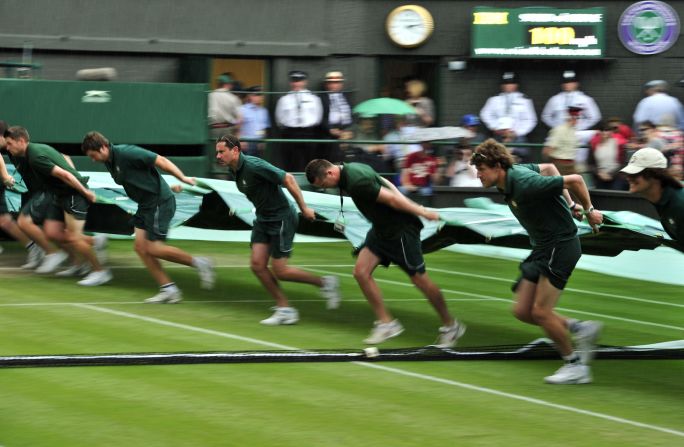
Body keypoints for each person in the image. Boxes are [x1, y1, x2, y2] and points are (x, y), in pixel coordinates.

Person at [470, 138, 604, 384]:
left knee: (541, 312)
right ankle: (579, 328)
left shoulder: (524, 183)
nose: (478, 175)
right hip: (542, 247)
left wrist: (587, 210)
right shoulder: (512, 176)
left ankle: (575, 366)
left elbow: (575, 179)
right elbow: (551, 168)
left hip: (560, 246)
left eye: (482, 169)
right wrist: (569, 203)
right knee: (522, 310)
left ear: (498, 166)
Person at [305, 158, 465, 347]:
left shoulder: (357, 181)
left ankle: (451, 325)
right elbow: (385, 182)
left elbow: (391, 199)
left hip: (401, 230)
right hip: (381, 230)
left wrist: (421, 211)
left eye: (323, 184)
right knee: (361, 272)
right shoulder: (351, 169)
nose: (325, 188)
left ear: (330, 173)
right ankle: (387, 323)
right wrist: (406, 200)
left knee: (420, 280)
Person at [215, 134, 340, 324]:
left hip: (282, 218)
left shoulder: (254, 165)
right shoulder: (234, 169)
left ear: (235, 150)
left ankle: (325, 283)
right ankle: (285, 309)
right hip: (263, 219)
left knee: (280, 271)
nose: (217, 156)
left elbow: (288, 178)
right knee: (257, 265)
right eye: (217, 152)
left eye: (221, 152)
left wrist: (304, 207)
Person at [81, 131, 216, 303]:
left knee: (153, 248)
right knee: (140, 247)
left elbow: (161, 161)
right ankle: (169, 289)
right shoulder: (109, 160)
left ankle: (200, 263)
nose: (93, 159)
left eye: (93, 155)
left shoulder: (127, 153)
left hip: (159, 202)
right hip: (145, 205)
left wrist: (182, 178)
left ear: (103, 147)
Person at [4, 126, 111, 286]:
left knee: (75, 237)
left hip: (73, 194)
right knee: (52, 232)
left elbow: (65, 175)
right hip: (59, 195)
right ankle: (91, 249)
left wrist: (85, 191)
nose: (7, 147)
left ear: (21, 141)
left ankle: (100, 272)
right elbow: (63, 160)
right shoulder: (29, 153)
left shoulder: (36, 156)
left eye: (10, 143)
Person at [621, 147, 684, 252]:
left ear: (654, 174)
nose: (628, 177)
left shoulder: (679, 205)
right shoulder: (663, 199)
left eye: (634, 173)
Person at [0, 121, 43, 266]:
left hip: (46, 190)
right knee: (5, 221)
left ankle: (41, 250)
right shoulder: (11, 148)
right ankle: (36, 249)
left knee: (6, 221)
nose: (8, 145)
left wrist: (5, 176)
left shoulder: (28, 151)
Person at [480, 72, 537, 162]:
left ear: (516, 85)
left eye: (511, 83)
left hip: (517, 136)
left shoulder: (524, 100)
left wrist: (517, 132)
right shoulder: (494, 99)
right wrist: (495, 127)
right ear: (502, 86)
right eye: (506, 83)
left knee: (520, 160)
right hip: (499, 135)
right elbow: (485, 114)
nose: (508, 86)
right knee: (495, 159)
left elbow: (531, 120)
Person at [275, 70, 323, 172]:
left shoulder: (314, 99)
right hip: (290, 132)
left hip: (308, 132)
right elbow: (279, 119)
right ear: (291, 82)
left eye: (299, 81)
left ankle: (309, 183)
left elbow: (318, 117)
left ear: (305, 82)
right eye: (294, 81)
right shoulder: (284, 99)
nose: (296, 83)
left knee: (310, 160)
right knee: (290, 160)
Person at [319, 71, 353, 163]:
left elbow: (352, 114)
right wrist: (330, 130)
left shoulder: (347, 96)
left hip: (346, 132)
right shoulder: (321, 98)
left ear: (341, 84)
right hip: (329, 134)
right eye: (331, 83)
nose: (334, 85)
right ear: (327, 84)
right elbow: (319, 118)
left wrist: (349, 130)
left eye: (337, 82)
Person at [587, 121, 628, 190]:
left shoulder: (618, 144)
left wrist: (611, 175)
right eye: (602, 130)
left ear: (611, 132)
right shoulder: (594, 145)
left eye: (607, 130)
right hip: (600, 178)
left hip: (616, 177)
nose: (604, 133)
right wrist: (599, 173)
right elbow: (590, 163)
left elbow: (623, 163)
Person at [542, 105, 582, 175]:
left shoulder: (574, 131)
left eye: (578, 118)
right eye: (576, 117)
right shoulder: (559, 130)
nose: (577, 120)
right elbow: (547, 150)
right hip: (559, 165)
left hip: (570, 165)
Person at [399, 140, 442, 205]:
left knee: (426, 192)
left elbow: (436, 181)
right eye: (425, 142)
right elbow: (404, 173)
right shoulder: (411, 156)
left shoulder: (432, 159)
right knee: (402, 190)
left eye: (428, 143)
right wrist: (407, 184)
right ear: (421, 144)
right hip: (410, 185)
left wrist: (439, 167)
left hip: (423, 186)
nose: (426, 145)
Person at [208, 73, 243, 140]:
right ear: (228, 84)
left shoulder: (210, 95)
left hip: (212, 129)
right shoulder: (233, 98)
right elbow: (240, 119)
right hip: (227, 129)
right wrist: (237, 131)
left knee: (213, 149)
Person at [240, 85, 271, 158]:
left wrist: (262, 140)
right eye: (256, 95)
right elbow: (238, 127)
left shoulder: (264, 111)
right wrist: (241, 140)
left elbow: (264, 128)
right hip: (246, 142)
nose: (259, 97)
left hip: (258, 143)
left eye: (261, 95)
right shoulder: (242, 109)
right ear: (250, 96)